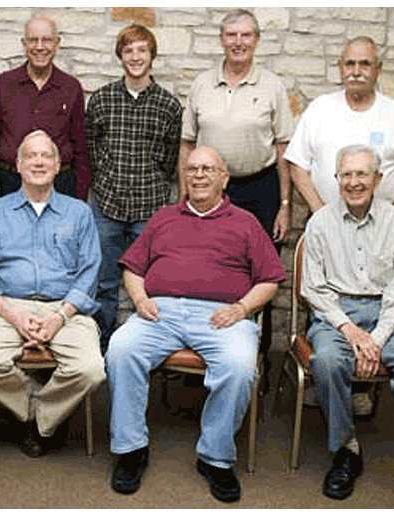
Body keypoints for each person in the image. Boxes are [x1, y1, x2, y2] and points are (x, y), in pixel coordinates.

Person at [106, 147, 287, 503]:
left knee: (238, 367)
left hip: (222, 315)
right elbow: (132, 268)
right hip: (161, 311)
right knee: (120, 349)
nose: (199, 175)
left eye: (208, 169)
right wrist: (140, 299)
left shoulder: (246, 222)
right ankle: (130, 450)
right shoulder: (163, 218)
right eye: (192, 169)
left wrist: (241, 307)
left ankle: (216, 457)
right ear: (184, 178)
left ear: (224, 178)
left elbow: (270, 279)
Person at [302, 144, 394, 509]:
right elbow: (313, 289)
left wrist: (375, 339)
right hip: (335, 313)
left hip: (388, 313)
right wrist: (351, 331)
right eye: (346, 175)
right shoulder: (320, 222)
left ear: (378, 178)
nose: (354, 182)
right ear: (337, 180)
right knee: (326, 362)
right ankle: (346, 451)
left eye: (361, 174)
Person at [0, 130, 105, 458]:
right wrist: (13, 315)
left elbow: (89, 275)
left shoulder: (80, 213)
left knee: (91, 369)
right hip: (8, 306)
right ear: (18, 165)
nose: (39, 162)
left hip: (65, 308)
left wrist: (59, 317)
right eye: (31, 156)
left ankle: (35, 419)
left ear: (58, 166)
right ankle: (40, 411)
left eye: (46, 156)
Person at [180, 10, 294, 375]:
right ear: (222, 39)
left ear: (257, 40)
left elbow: (282, 150)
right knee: (206, 266)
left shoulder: (272, 85)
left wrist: (286, 205)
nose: (238, 42)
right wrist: (185, 194)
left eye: (246, 35)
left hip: (260, 187)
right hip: (208, 190)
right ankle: (207, 352)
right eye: (231, 35)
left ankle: (254, 361)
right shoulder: (201, 84)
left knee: (260, 273)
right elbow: (187, 144)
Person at [85, 24, 183, 352]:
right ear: (120, 56)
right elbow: (92, 148)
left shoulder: (169, 106)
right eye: (129, 51)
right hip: (107, 205)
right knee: (103, 283)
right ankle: (99, 349)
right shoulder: (101, 99)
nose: (135, 57)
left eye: (142, 50)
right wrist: (108, 179)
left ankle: (148, 349)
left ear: (152, 55)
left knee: (152, 284)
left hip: (149, 208)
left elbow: (170, 160)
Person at [285, 37, 394, 219]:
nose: (356, 71)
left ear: (378, 69)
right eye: (350, 64)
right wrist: (320, 213)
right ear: (340, 68)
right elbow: (297, 164)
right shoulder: (320, 109)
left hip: (381, 225)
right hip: (325, 219)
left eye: (365, 64)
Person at [0, 14, 89, 199]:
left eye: (46, 40)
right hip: (9, 183)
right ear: (24, 44)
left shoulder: (71, 87)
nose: (40, 47)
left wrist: (79, 200)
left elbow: (80, 149)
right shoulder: (4, 84)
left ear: (57, 44)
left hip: (60, 185)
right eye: (33, 40)